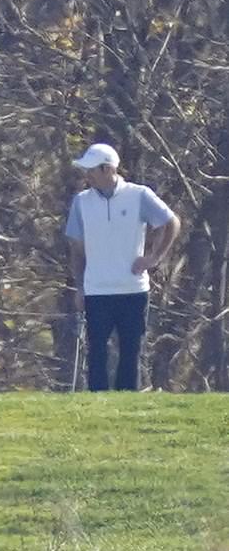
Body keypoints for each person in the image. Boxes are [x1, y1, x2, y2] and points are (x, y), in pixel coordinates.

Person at [65, 143, 181, 391]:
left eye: (92, 170)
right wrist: (80, 287)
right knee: (96, 351)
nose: (87, 175)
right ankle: (97, 402)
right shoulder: (81, 202)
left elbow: (171, 223)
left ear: (108, 169)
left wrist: (154, 258)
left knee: (131, 350)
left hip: (132, 289)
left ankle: (127, 401)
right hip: (97, 290)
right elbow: (76, 248)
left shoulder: (138, 195)